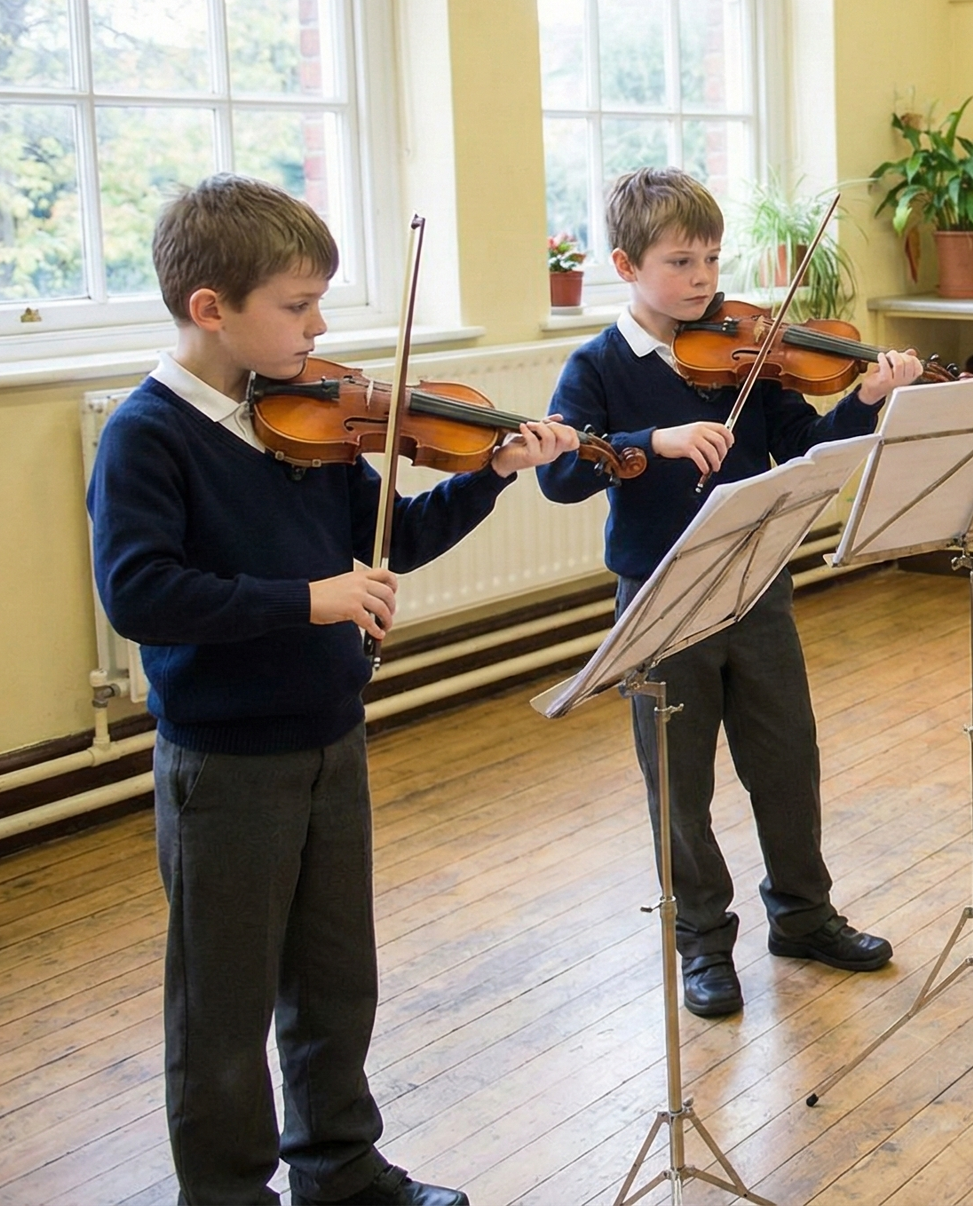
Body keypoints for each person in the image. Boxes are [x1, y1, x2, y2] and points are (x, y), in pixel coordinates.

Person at [90, 174, 581, 1206]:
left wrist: (492, 472)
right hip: (223, 758)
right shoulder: (148, 433)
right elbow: (141, 591)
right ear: (209, 309)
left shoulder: (303, 418)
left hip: (329, 732)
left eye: (320, 303)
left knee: (334, 974)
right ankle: (225, 1189)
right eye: (297, 304)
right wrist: (304, 600)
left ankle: (339, 1162)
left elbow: (390, 535)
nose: (319, 326)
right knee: (220, 1003)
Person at [541, 168, 921, 1018]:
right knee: (679, 782)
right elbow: (562, 476)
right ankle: (704, 943)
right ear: (623, 264)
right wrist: (652, 442)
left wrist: (865, 397)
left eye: (711, 258)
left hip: (756, 584)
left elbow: (807, 444)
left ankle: (804, 915)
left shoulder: (748, 354)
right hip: (662, 599)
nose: (706, 279)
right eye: (681, 262)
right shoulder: (597, 366)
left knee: (788, 759)